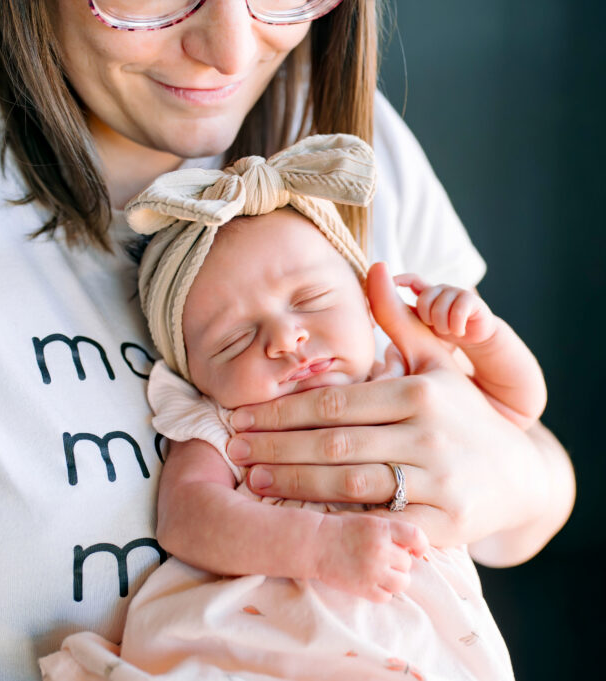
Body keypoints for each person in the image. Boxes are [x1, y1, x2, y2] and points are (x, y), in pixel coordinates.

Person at [0, 2, 576, 680]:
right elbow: (193, 509)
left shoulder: (342, 139)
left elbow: (528, 493)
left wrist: (512, 473)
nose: (231, 50)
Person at [39, 134, 544, 680]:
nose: (285, 338)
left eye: (310, 301)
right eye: (232, 341)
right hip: (265, 652)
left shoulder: (403, 378)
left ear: (365, 299)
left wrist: (482, 336)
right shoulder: (231, 426)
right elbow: (186, 519)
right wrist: (321, 546)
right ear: (196, 377)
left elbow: (516, 410)